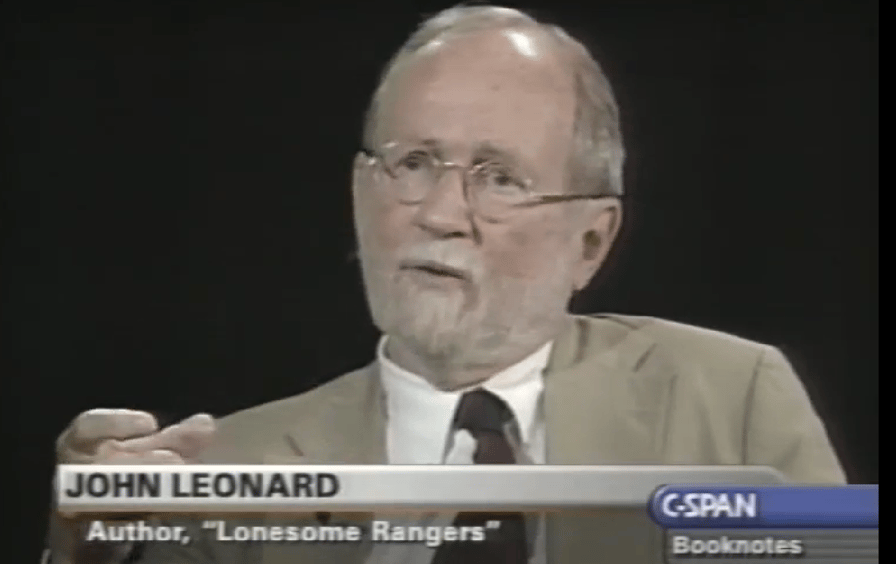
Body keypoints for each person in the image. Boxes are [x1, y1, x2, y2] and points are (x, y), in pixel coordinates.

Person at [44, 5, 845, 564]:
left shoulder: (730, 402)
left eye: (499, 178)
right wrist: (84, 547)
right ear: (360, 192)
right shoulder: (224, 476)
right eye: (415, 163)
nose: (439, 214)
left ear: (591, 241)